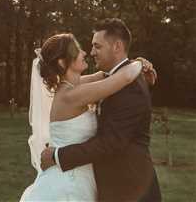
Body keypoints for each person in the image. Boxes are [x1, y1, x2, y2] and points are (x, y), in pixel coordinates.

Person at [20, 26, 156, 201]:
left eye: (96, 46)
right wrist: (138, 64)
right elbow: (124, 77)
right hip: (69, 180)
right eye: (77, 50)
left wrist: (136, 64)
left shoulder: (72, 86)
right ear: (62, 63)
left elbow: (106, 75)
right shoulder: (72, 95)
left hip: (91, 176)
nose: (86, 52)